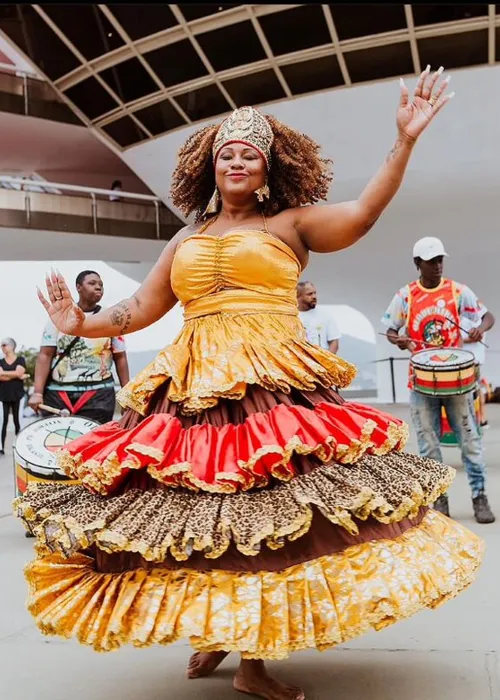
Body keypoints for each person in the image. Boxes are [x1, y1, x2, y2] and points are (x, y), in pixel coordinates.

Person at [15, 71, 484, 700]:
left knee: (268, 519)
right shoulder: (187, 236)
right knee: (198, 517)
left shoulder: (290, 224)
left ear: (268, 171)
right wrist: (83, 322)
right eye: (226, 154)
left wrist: (403, 142)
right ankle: (214, 630)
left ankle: (254, 660)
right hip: (190, 391)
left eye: (249, 156)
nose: (236, 162)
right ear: (210, 168)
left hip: (270, 391)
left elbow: (363, 215)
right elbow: (143, 307)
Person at [382, 236, 495, 524]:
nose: (438, 266)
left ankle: (479, 496)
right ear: (417, 263)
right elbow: (391, 330)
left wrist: (479, 330)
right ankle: (439, 499)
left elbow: (488, 316)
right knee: (428, 444)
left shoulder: (457, 291)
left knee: (470, 442)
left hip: (457, 382)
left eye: (440, 260)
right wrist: (399, 340)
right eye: (432, 261)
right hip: (421, 383)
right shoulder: (405, 296)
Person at [28, 270, 130, 424]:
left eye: (101, 285)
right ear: (78, 287)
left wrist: (126, 394)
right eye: (92, 283)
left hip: (99, 394)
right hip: (58, 394)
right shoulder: (60, 316)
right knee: (59, 442)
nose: (98, 287)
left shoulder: (111, 319)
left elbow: (120, 357)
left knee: (95, 443)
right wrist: (37, 392)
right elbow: (45, 355)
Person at [297, 281, 341, 354]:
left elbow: (334, 342)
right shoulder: (292, 316)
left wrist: (327, 361)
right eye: (309, 294)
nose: (314, 296)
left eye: (315, 293)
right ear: (298, 296)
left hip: (322, 362)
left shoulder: (325, 314)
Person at [0, 338, 27, 455]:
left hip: (17, 394)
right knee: (3, 421)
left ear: (11, 346)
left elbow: (18, 371)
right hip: (3, 395)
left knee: (17, 421)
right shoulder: (1, 361)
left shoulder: (20, 359)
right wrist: (17, 375)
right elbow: (1, 376)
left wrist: (6, 374)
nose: (2, 347)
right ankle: (1, 447)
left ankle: (18, 446)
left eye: (4, 345)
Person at [461, 317, 489, 428]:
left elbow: (476, 337)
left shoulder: (472, 319)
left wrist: (455, 339)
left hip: (471, 360)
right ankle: (481, 419)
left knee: (472, 390)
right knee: (477, 388)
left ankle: (478, 419)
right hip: (471, 359)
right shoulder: (478, 319)